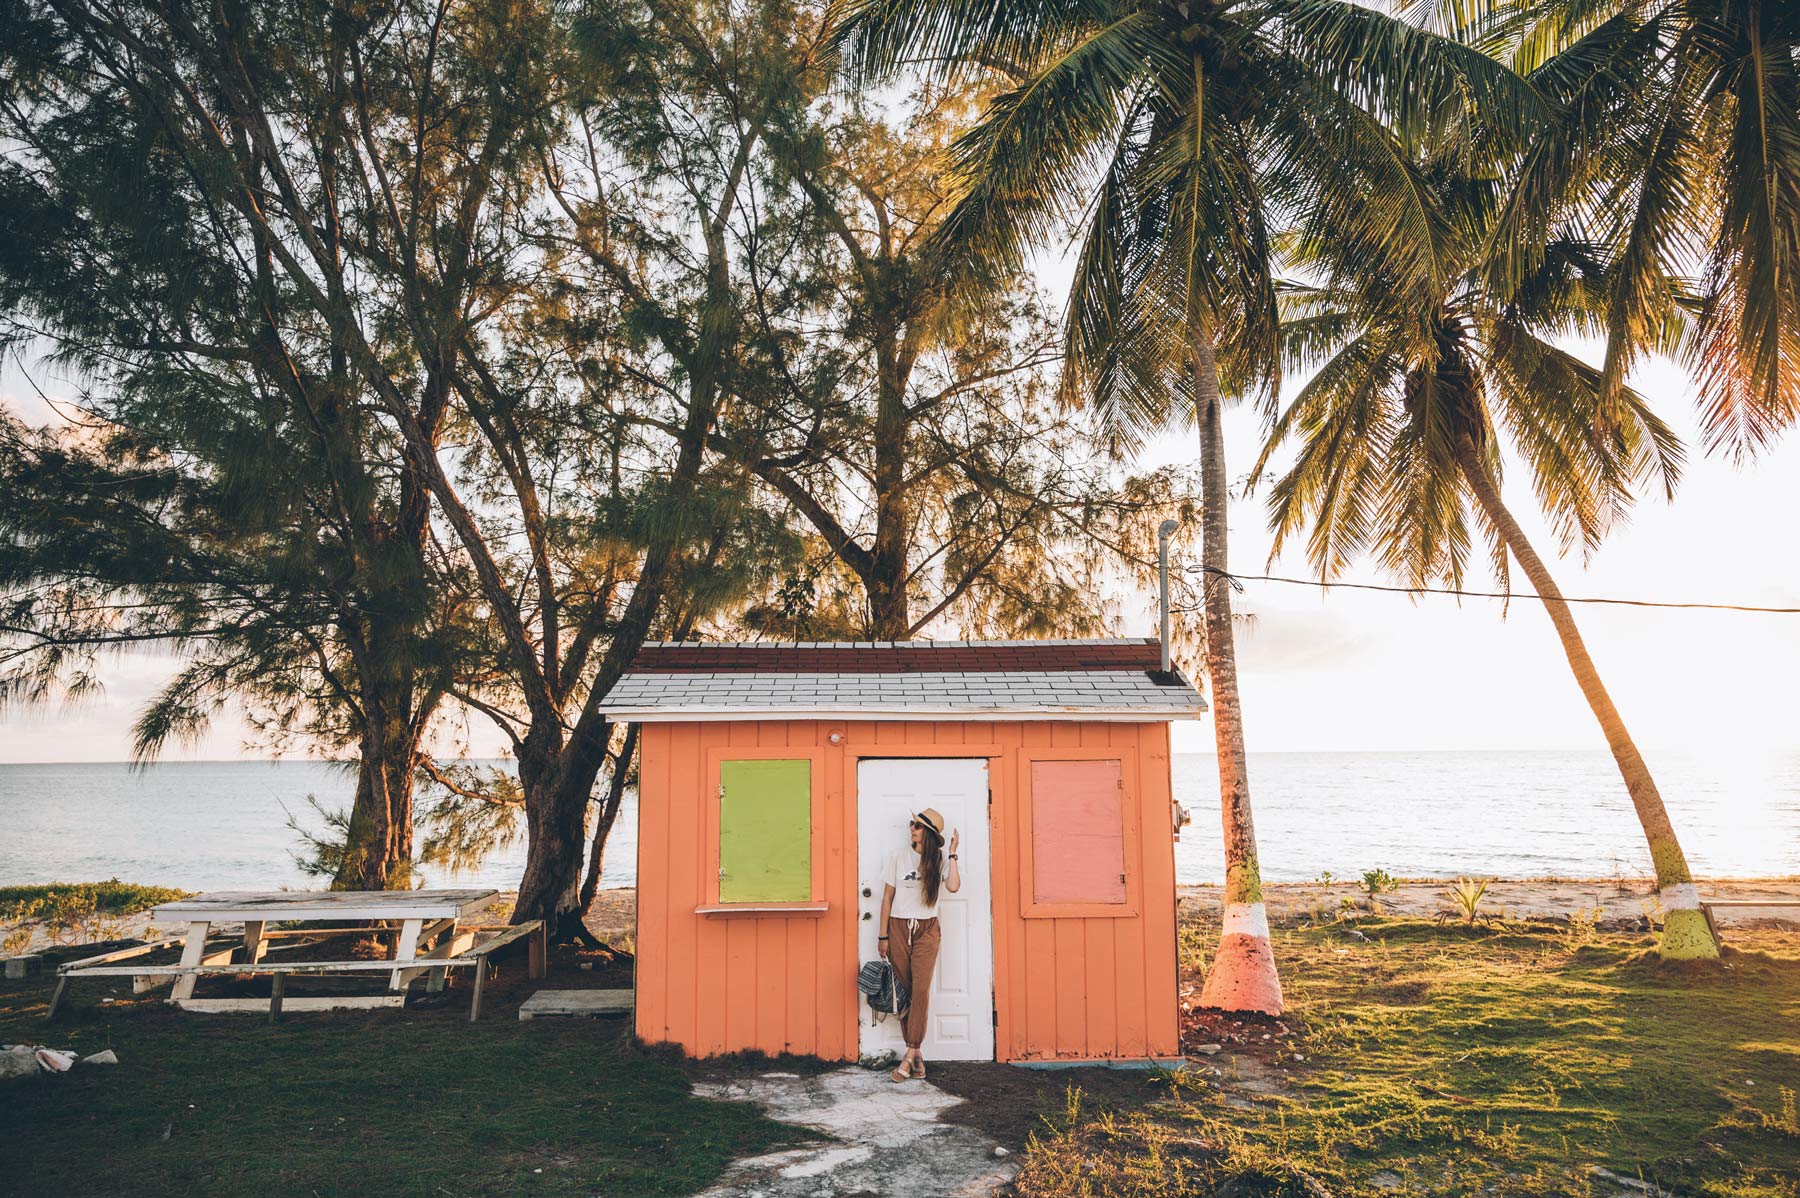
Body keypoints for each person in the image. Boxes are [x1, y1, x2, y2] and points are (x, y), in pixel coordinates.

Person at [876, 806, 961, 1081]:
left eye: (918, 826)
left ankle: (910, 1053)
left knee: (921, 990)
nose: (912, 829)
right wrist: (882, 935)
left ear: (929, 833)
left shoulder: (937, 860)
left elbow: (954, 886)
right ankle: (917, 1056)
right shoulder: (898, 858)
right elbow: (887, 899)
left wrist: (952, 852)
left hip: (927, 930)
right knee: (906, 993)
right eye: (912, 824)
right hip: (898, 928)